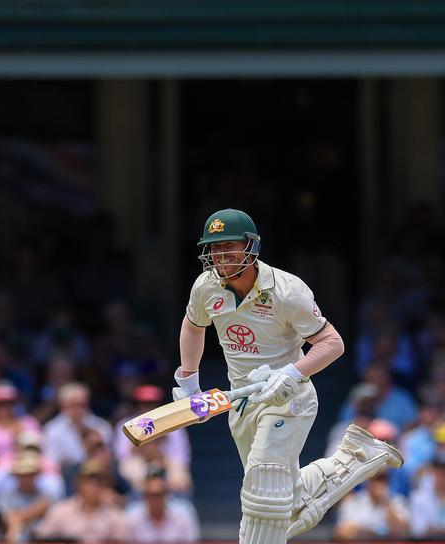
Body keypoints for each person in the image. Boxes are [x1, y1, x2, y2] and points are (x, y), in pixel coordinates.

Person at [175, 209, 401, 544]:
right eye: (214, 248)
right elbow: (194, 326)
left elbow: (333, 343)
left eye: (229, 246)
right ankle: (355, 457)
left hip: (287, 399)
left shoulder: (286, 290)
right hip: (242, 401)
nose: (221, 256)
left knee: (264, 491)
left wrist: (292, 373)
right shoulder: (206, 287)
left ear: (251, 246)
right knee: (287, 501)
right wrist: (190, 380)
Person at [124, 472, 200, 543]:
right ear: (144, 497)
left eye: (161, 494)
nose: (156, 499)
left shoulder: (184, 513)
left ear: (167, 495)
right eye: (153, 494)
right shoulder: (131, 516)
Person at [333, 469, 409, 540]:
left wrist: (386, 505)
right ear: (368, 482)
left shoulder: (397, 501)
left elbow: (405, 532)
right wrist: (372, 532)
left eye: (383, 480)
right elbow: (341, 532)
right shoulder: (354, 502)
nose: (380, 485)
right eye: (376, 480)